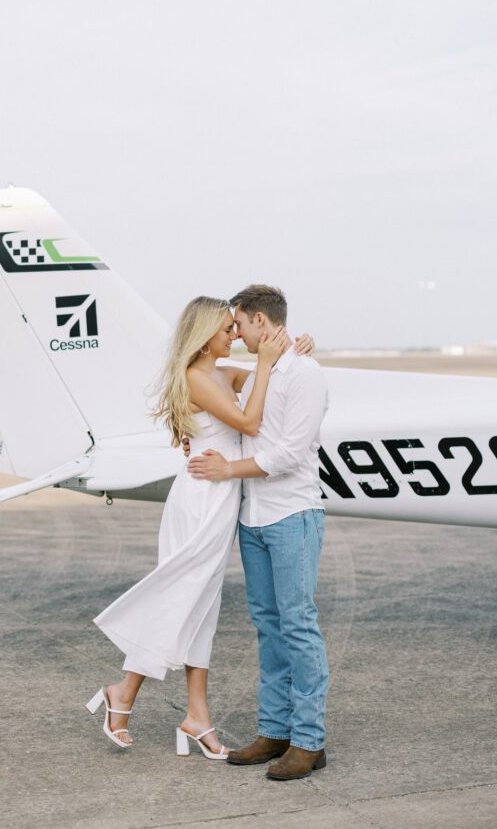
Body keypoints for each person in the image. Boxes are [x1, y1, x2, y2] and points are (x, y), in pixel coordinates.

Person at [86, 295, 314, 759]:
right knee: (182, 598)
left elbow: (271, 386)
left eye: (236, 327)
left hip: (220, 499)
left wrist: (293, 352)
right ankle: (123, 692)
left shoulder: (222, 373)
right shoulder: (197, 377)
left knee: (201, 608)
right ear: (204, 335)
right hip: (200, 500)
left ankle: (196, 717)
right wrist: (269, 364)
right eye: (227, 328)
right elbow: (250, 422)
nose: (235, 334)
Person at [187, 284, 329, 781]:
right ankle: (275, 731)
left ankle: (309, 740)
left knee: (297, 625)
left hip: (292, 516)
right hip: (254, 519)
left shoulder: (305, 374)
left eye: (240, 324)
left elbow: (290, 453)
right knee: (268, 627)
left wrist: (229, 471)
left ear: (261, 322)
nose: (236, 331)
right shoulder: (259, 375)